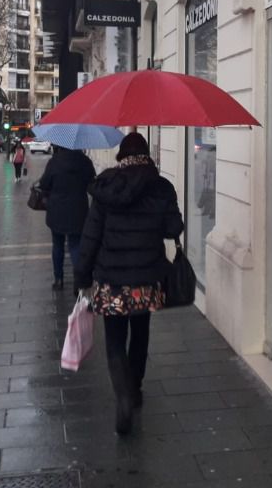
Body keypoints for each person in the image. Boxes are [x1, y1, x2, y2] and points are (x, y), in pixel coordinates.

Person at [76, 133, 184, 435]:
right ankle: (134, 388)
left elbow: (91, 236)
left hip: (111, 280)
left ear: (121, 156)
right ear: (147, 155)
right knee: (140, 332)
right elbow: (173, 228)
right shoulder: (161, 187)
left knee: (114, 339)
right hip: (146, 279)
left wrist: (82, 276)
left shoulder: (106, 186)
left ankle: (122, 395)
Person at [38, 145, 96, 291]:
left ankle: (58, 279)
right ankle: (79, 281)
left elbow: (44, 184)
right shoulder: (85, 162)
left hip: (56, 210)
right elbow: (91, 184)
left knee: (57, 245)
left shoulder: (54, 162)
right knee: (76, 246)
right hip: (78, 210)